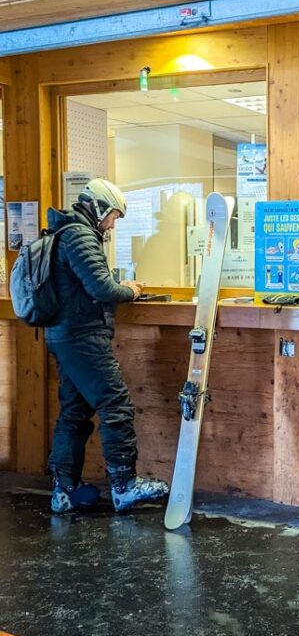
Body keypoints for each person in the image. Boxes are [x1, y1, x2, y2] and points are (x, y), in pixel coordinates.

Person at [46, 178, 168, 515]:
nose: (113, 223)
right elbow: (101, 288)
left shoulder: (64, 232)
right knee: (116, 405)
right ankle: (125, 486)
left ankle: (65, 492)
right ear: (98, 207)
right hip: (82, 336)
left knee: (75, 412)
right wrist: (129, 290)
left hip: (65, 334)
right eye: (113, 215)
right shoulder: (81, 235)